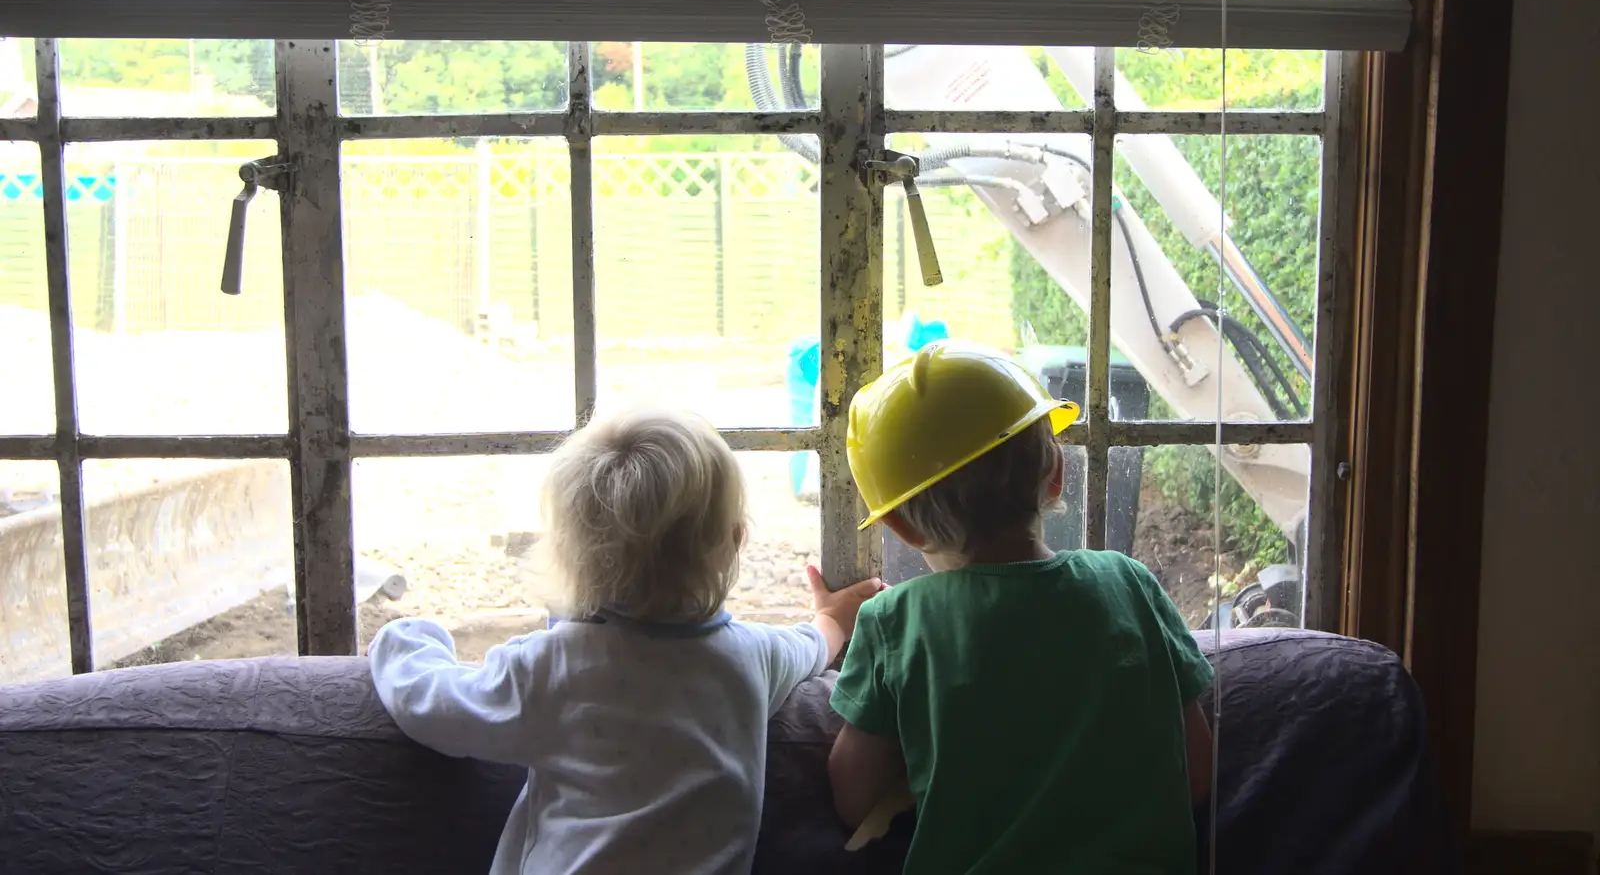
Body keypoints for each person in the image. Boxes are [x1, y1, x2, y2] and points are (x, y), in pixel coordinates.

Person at [368, 406, 885, 875]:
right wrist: (834, 617)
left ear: (568, 555)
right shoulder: (751, 655)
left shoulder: (555, 667)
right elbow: (810, 646)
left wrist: (406, 638)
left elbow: (433, 705)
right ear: (735, 540)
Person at [827, 341, 1215, 874]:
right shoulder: (1129, 583)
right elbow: (1196, 775)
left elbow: (852, 800)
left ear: (901, 525)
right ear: (1056, 474)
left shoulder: (894, 621)